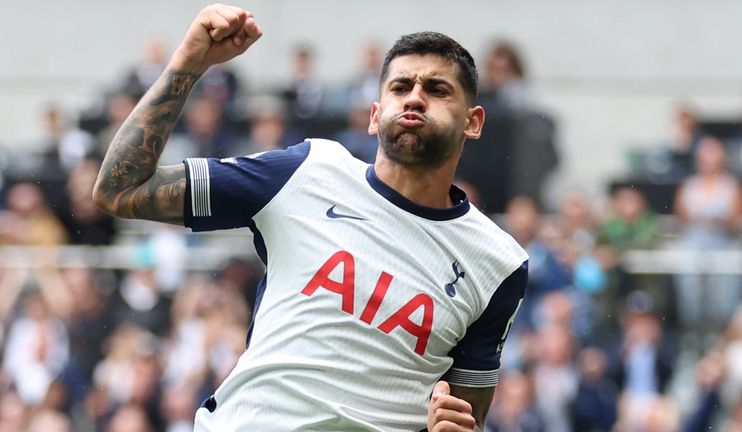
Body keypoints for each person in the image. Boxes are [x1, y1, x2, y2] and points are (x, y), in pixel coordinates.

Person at [92, 5, 528, 432]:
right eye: (399, 87)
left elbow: (468, 415)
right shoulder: (307, 170)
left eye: (437, 89)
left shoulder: (497, 262)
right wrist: (189, 61)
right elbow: (121, 189)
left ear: (473, 122)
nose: (415, 96)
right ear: (376, 116)